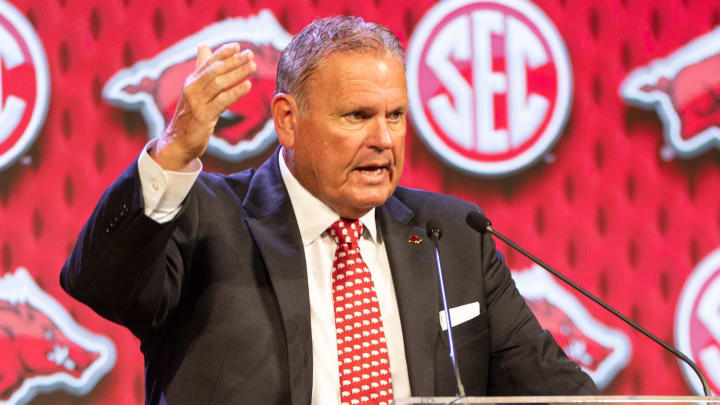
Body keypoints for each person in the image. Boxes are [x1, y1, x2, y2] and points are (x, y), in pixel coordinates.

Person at [61, 16, 598, 405]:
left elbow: (558, 393)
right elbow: (97, 282)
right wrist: (173, 152)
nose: (383, 140)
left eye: (395, 115)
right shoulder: (208, 219)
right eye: (357, 115)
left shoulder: (453, 234)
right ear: (288, 121)